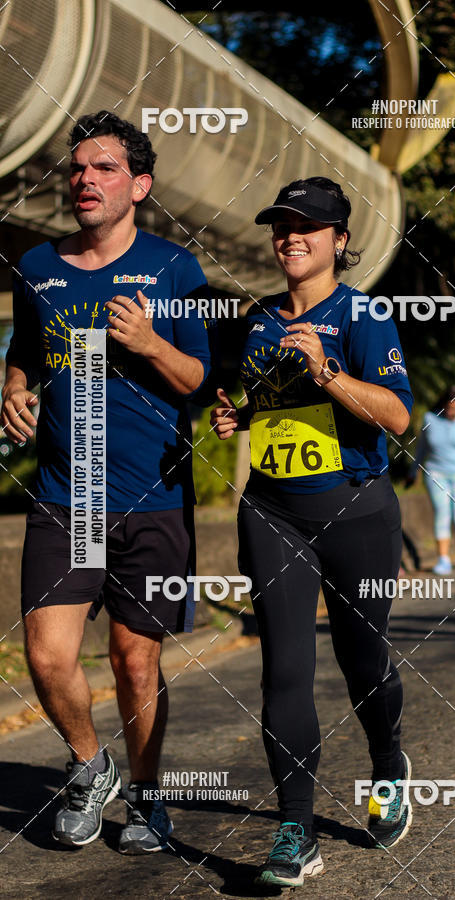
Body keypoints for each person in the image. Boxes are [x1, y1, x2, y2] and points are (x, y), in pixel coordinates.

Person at [1, 111, 211, 852]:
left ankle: (150, 800)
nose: (85, 180)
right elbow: (24, 349)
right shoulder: (37, 267)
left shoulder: (175, 270)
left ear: (140, 186)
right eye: (78, 168)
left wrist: (151, 340)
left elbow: (197, 379)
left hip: (154, 499)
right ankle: (93, 768)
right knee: (49, 653)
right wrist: (14, 386)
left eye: (105, 169)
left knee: (134, 659)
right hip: (67, 494)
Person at [211, 176, 414, 888]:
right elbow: (264, 398)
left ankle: (387, 763)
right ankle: (297, 827)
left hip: (356, 511)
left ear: (339, 240)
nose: (290, 236)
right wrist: (239, 414)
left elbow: (395, 416)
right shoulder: (258, 316)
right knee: (285, 670)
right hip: (272, 510)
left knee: (364, 666)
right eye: (281, 225)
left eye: (306, 225)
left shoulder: (364, 314)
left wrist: (328, 372)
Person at [406, 386, 455, 574]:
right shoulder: (430, 419)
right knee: (442, 513)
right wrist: (413, 471)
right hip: (436, 473)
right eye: (451, 409)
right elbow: (421, 449)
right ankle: (443, 558)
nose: (454, 414)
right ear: (443, 406)